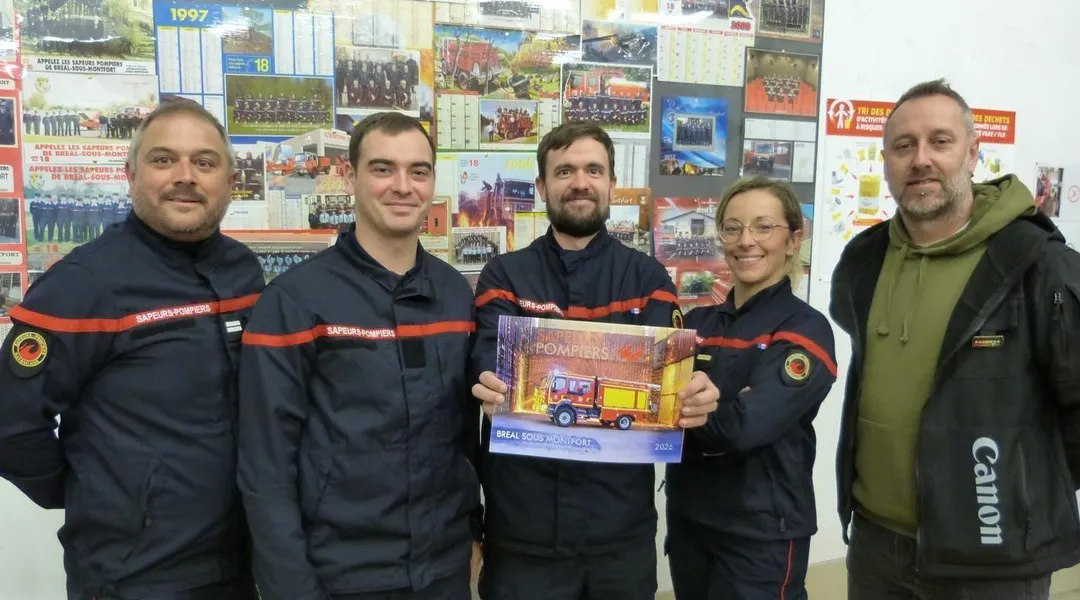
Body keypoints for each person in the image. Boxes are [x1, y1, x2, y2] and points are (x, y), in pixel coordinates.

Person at [0, 98, 263, 600]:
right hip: (135, 574)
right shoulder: (83, 284)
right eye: (163, 159)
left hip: (243, 558)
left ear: (231, 181)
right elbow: (10, 422)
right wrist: (90, 493)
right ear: (131, 174)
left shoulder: (243, 271)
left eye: (204, 162)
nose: (185, 176)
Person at [830, 78, 1080, 599]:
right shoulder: (863, 260)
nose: (920, 159)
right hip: (876, 545)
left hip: (993, 559)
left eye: (939, 142)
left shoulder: (1039, 265)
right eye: (904, 145)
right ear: (885, 161)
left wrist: (1020, 498)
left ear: (972, 154)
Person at [468, 121, 720, 600]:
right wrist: (488, 384)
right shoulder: (504, 275)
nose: (580, 182)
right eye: (564, 171)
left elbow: (668, 380)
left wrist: (694, 394)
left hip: (619, 536)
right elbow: (487, 363)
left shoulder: (648, 278)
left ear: (611, 184)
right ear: (542, 186)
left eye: (593, 170)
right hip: (523, 534)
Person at [237, 111, 483, 600]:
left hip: (442, 570)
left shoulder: (456, 295)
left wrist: (472, 531)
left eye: (418, 171)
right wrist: (290, 587)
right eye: (382, 169)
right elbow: (266, 466)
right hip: (340, 574)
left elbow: (462, 438)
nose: (402, 186)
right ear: (350, 178)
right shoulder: (294, 301)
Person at [664, 176, 837, 600]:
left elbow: (747, 426)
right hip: (690, 524)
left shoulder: (805, 329)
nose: (746, 241)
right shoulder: (697, 324)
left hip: (761, 535)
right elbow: (655, 406)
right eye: (733, 228)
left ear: (793, 240)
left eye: (763, 227)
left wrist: (686, 410)